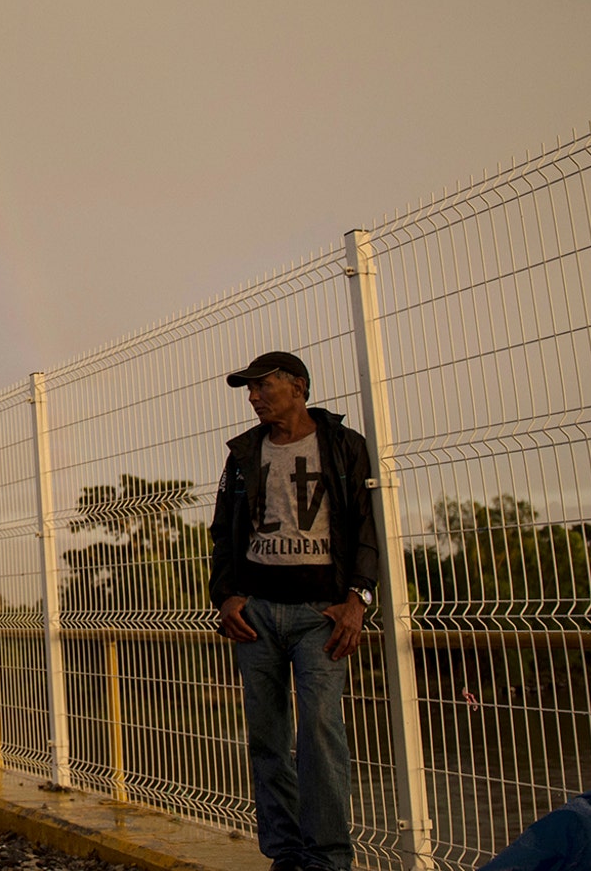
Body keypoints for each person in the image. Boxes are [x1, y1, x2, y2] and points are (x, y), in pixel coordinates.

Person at [211, 351, 377, 871]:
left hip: (320, 617)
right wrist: (227, 596)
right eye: (249, 390)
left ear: (299, 387)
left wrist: (359, 598)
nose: (254, 397)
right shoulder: (243, 454)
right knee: (267, 740)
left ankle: (327, 861)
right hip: (257, 615)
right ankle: (285, 856)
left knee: (321, 737)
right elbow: (221, 532)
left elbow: (369, 526)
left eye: (264, 387)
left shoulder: (345, 447)